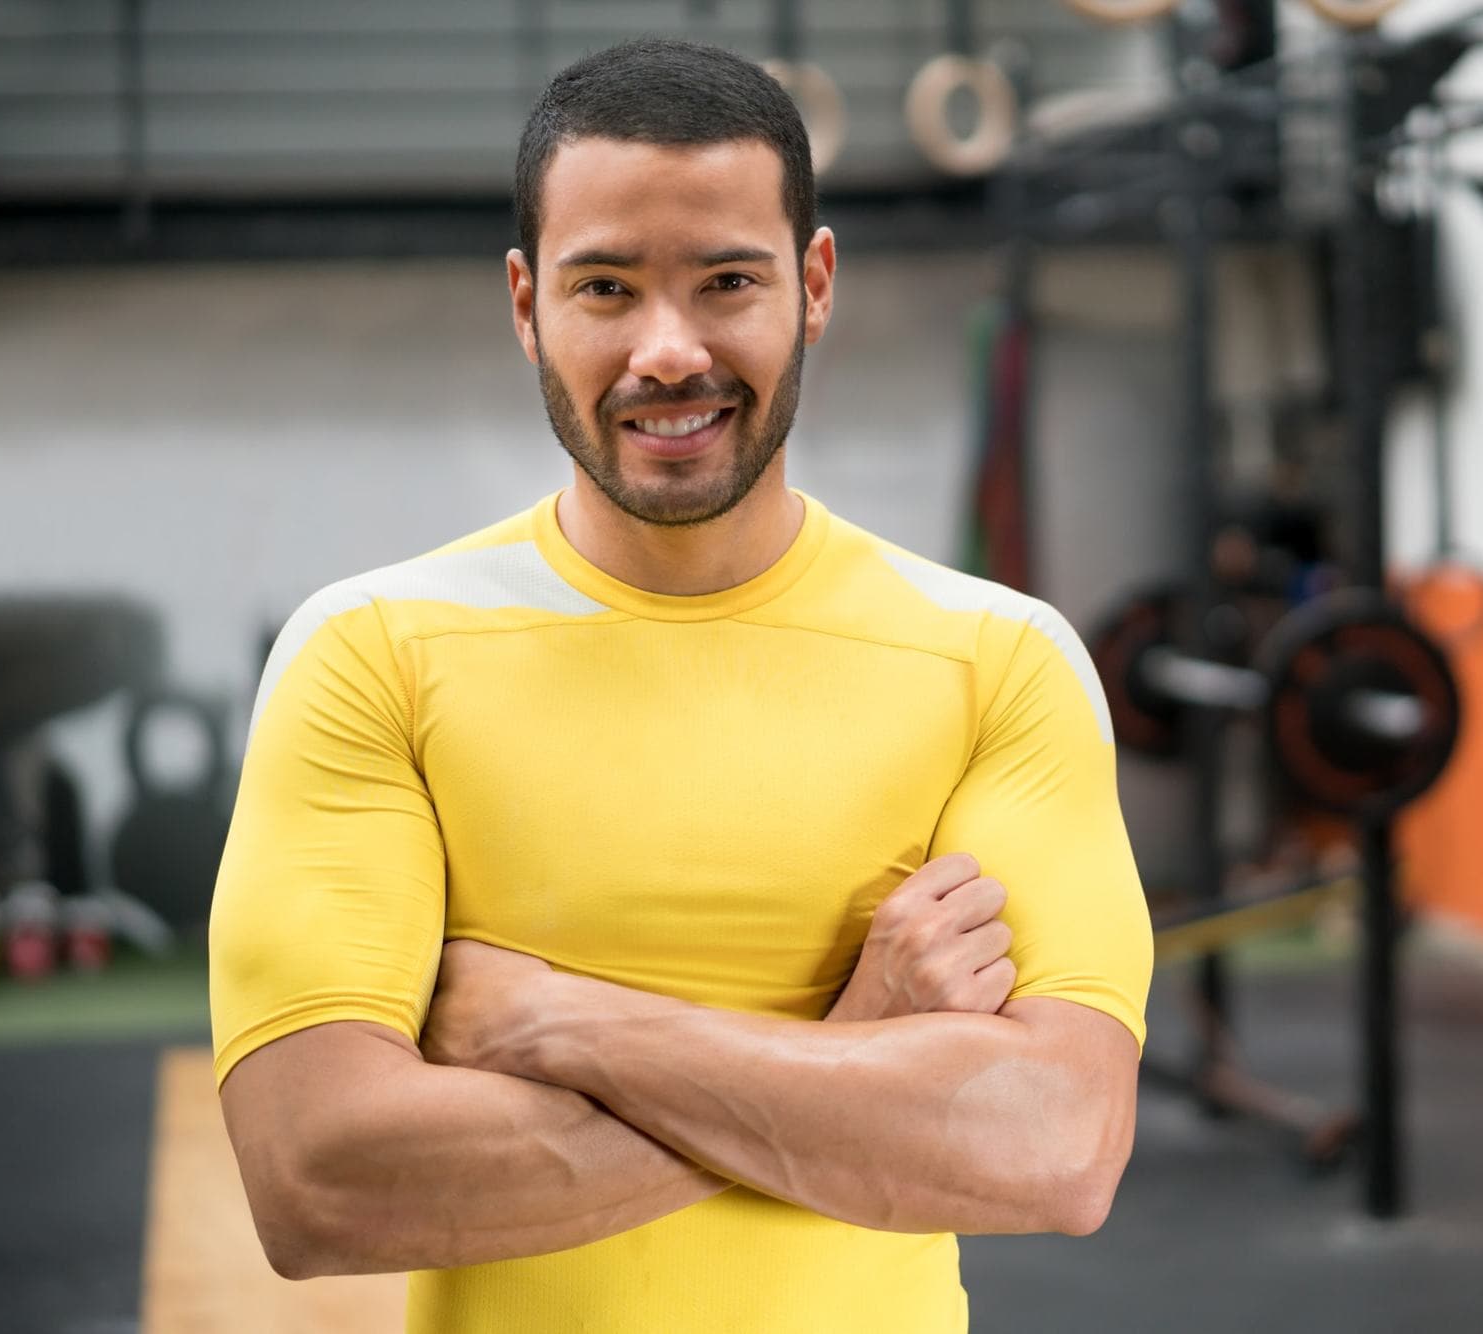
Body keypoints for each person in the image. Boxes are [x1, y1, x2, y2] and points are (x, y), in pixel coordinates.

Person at [210, 37, 1153, 1334]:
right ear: (526, 301)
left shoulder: (998, 663)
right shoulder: (373, 654)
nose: (668, 350)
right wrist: (858, 1044)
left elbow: (1056, 1144)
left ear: (813, 285)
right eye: (605, 288)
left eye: (726, 282)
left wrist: (554, 1019)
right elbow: (316, 1180)